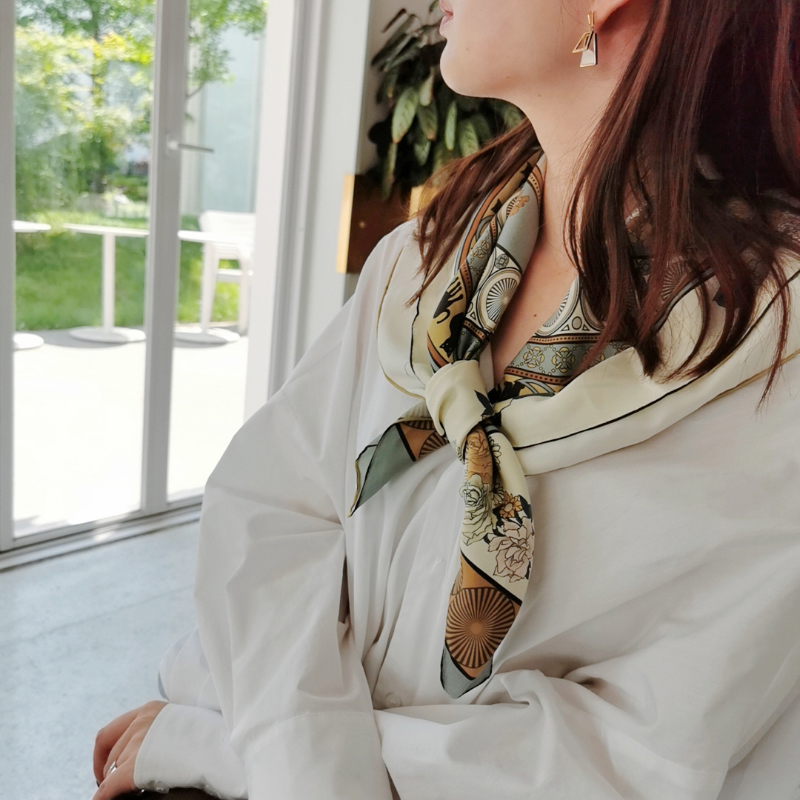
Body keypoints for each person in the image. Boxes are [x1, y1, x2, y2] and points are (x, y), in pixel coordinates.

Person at [92, 0, 800, 798]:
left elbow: (633, 760)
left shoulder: (775, 359)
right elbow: (274, 510)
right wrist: (284, 750)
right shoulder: (422, 260)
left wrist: (224, 750)